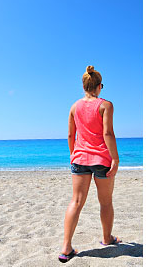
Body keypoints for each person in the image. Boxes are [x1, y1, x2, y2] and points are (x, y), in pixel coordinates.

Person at [58, 65, 121, 263]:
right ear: (99, 86)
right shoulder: (105, 105)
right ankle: (106, 238)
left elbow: (70, 134)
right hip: (102, 159)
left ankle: (66, 247)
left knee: (76, 202)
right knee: (105, 201)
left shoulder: (74, 107)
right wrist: (116, 159)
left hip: (80, 159)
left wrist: (73, 155)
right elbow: (107, 134)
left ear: (84, 86)